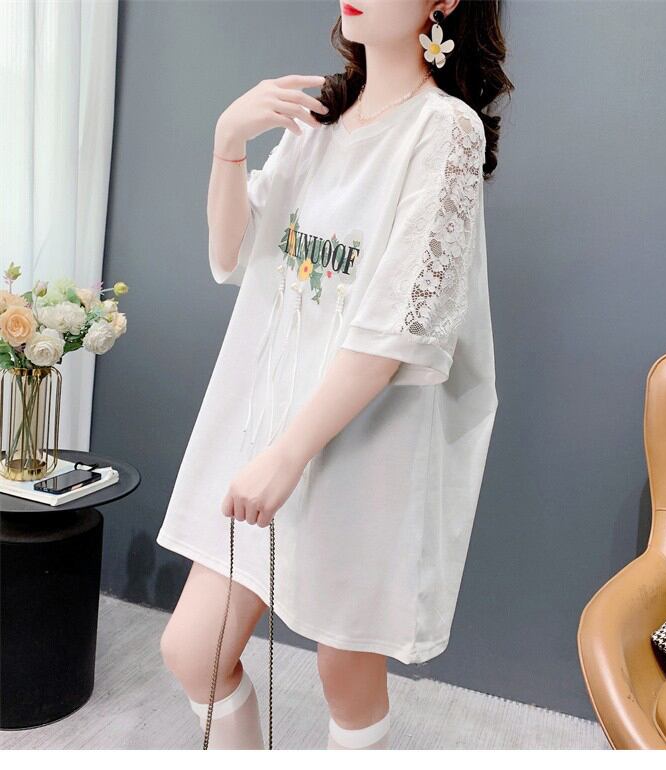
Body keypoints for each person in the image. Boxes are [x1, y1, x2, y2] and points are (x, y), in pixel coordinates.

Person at [156, 0, 512, 750]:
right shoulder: (317, 120)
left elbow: (398, 327)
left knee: (343, 674)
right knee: (192, 651)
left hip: (361, 441)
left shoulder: (444, 130)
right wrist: (227, 144)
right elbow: (232, 254)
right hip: (265, 424)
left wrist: (289, 455)